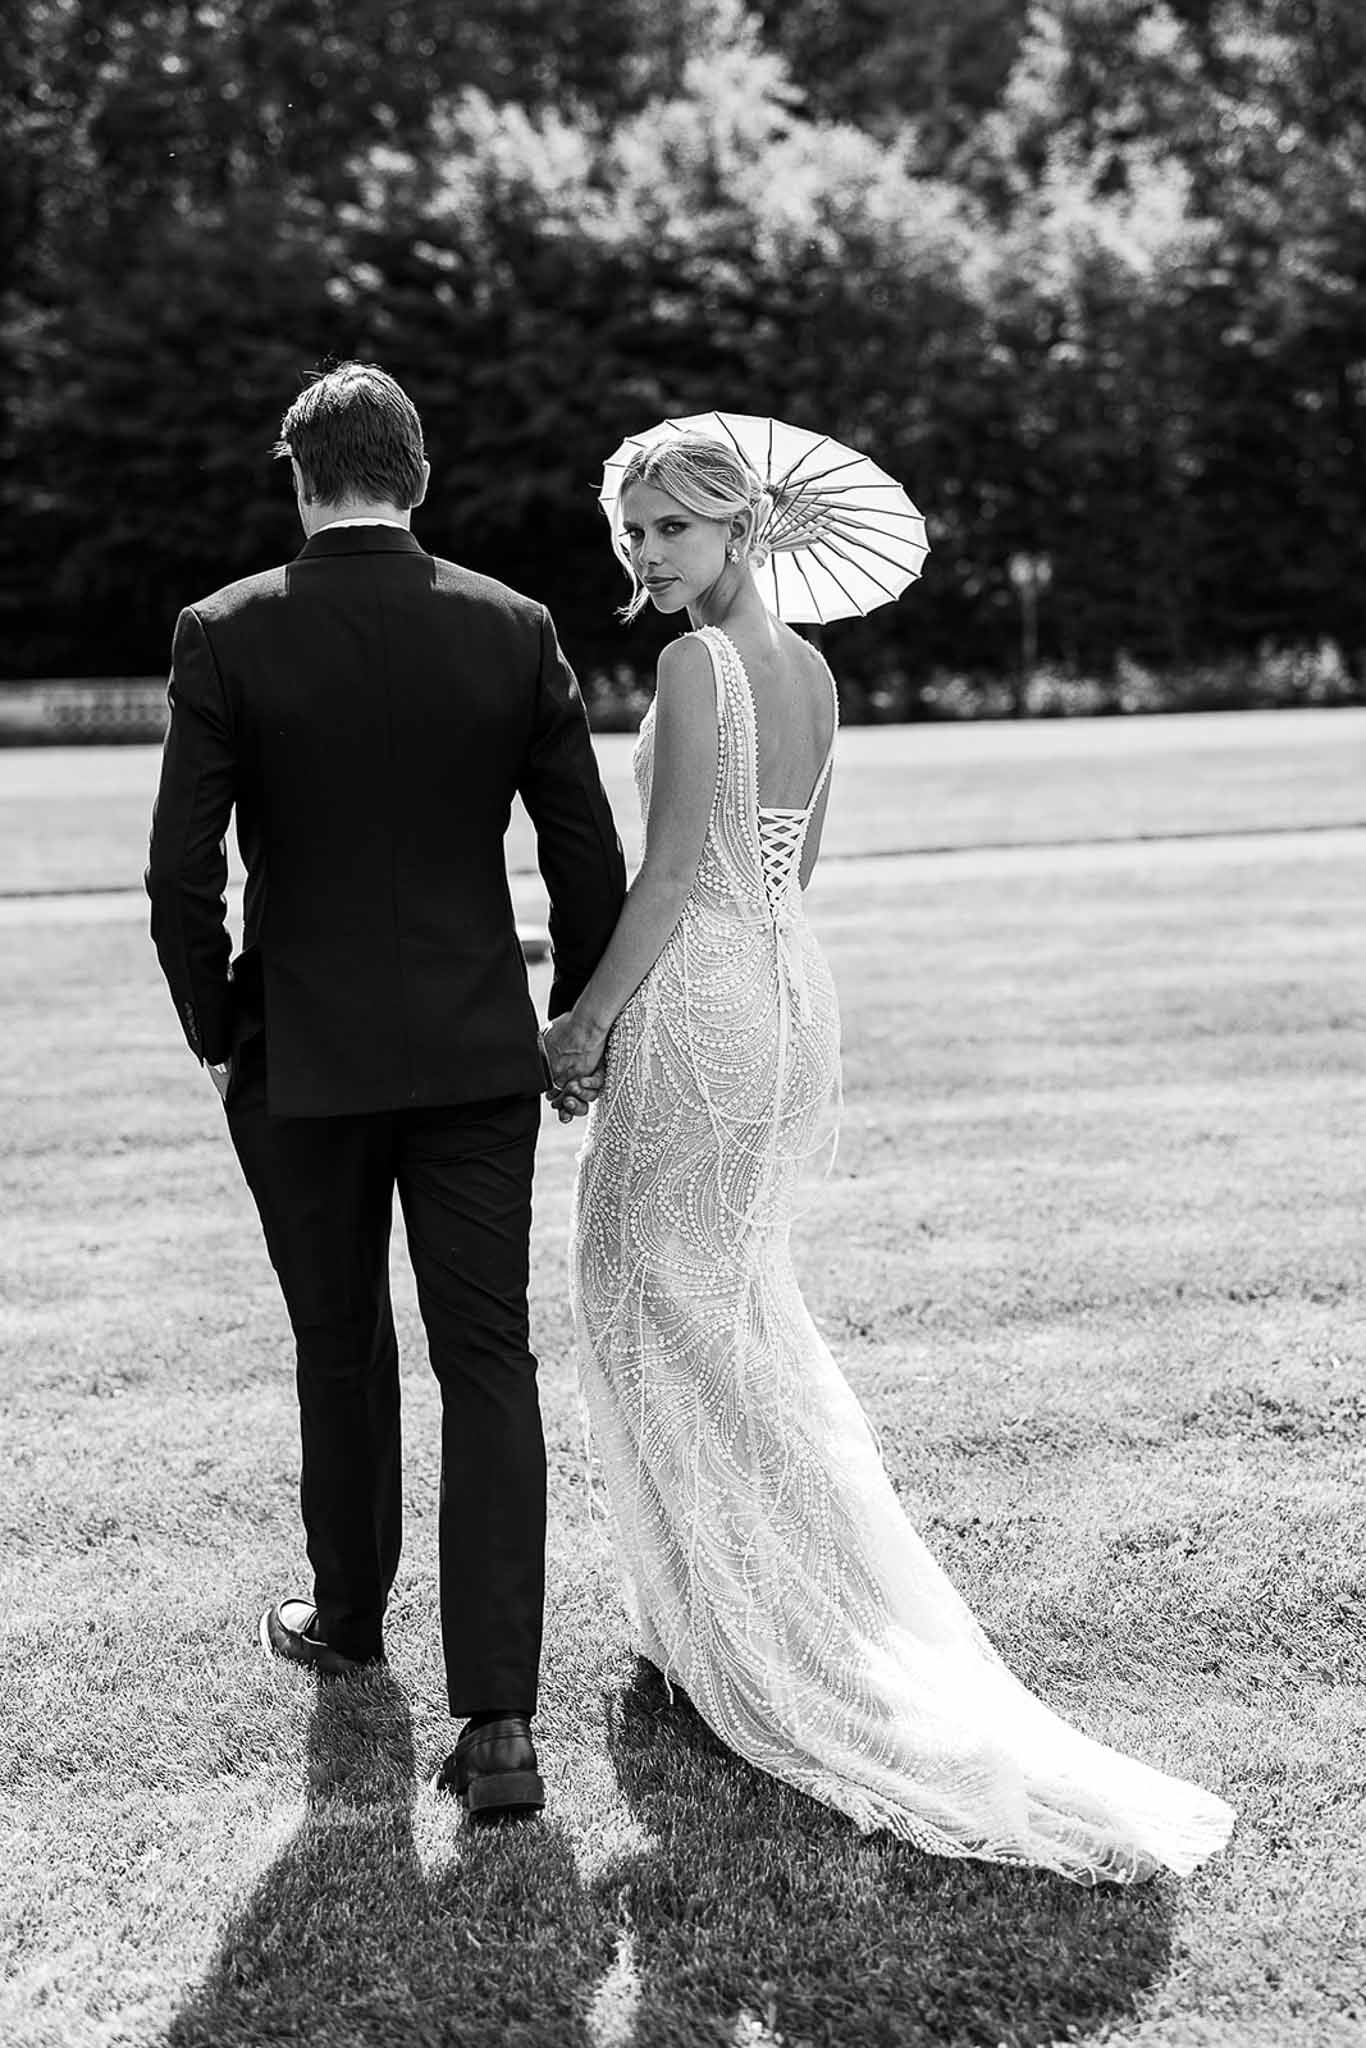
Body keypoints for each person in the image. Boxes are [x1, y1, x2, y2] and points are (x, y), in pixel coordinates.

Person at [541, 431, 1234, 1883]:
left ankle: (735, 1632)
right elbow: (784, 872)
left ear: (741, 530)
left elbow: (674, 876)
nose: (648, 558)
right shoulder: (813, 674)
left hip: (704, 1011)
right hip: (792, 996)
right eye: (630, 536)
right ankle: (731, 1608)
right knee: (723, 1306)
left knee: (641, 1300)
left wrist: (585, 1021)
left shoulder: (691, 671)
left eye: (671, 528)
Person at [146, 362, 626, 1818]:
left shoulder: (226, 634)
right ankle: (499, 1729)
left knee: (336, 1342)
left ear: (303, 481)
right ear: (417, 477)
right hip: (477, 1055)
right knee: (489, 1362)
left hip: (301, 1057)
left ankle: (347, 1620)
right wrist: (565, 1021)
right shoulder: (512, 627)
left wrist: (224, 1027)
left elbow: (181, 876)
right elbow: (584, 859)